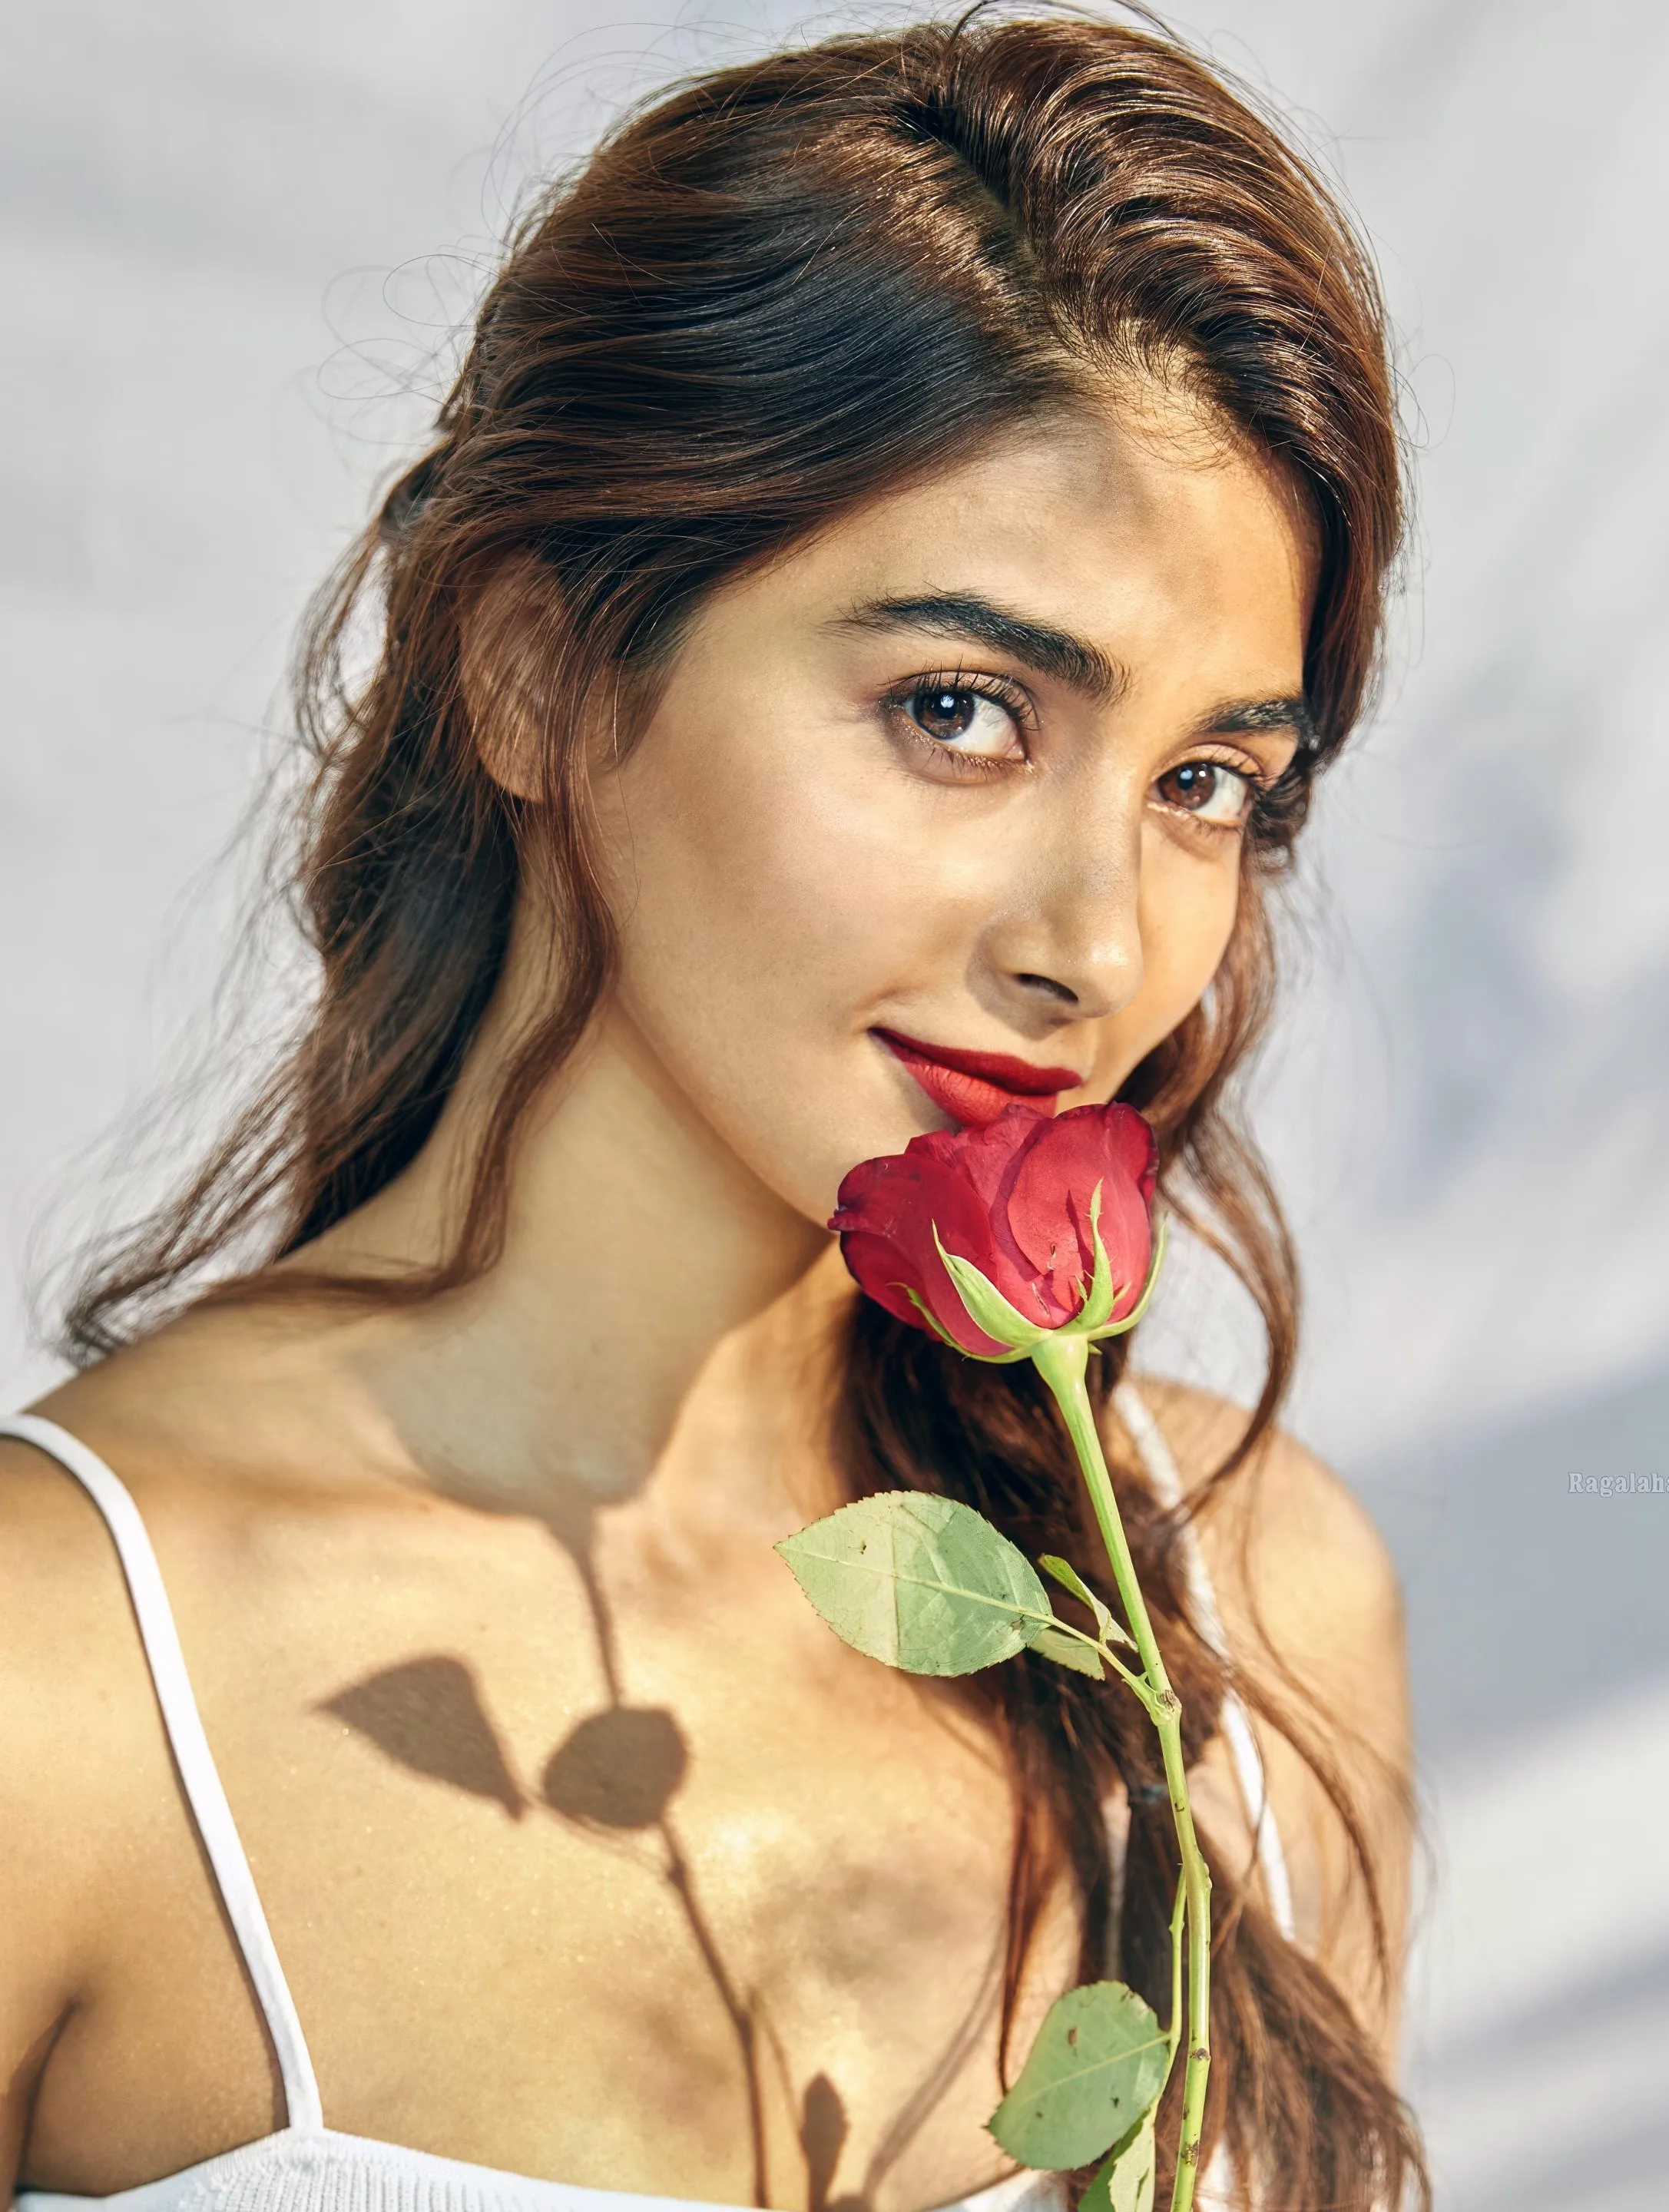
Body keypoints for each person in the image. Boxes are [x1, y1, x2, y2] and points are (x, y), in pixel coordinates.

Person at [0, 12, 1427, 2210]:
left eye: (1204, 784)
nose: (1102, 940)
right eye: (958, 709)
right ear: (539, 671)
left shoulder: (1248, 1617)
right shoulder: (65, 1686)